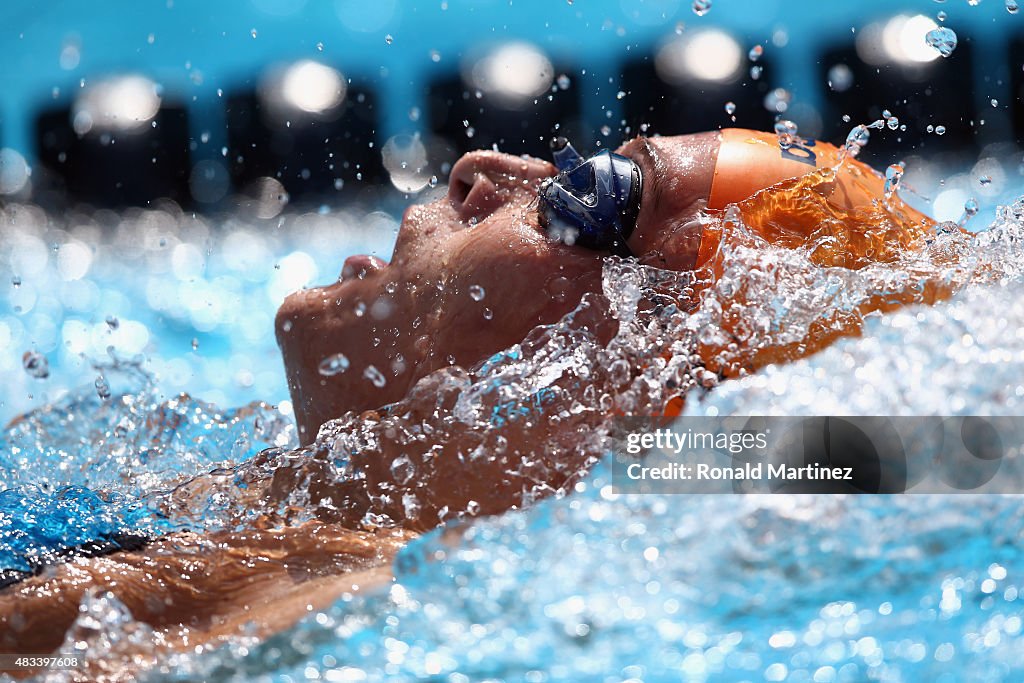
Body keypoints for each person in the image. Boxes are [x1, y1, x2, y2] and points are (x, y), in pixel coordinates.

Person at [0, 128, 960, 665]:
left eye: (595, 193)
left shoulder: (307, 615)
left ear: (635, 403)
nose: (483, 172)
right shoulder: (245, 537)